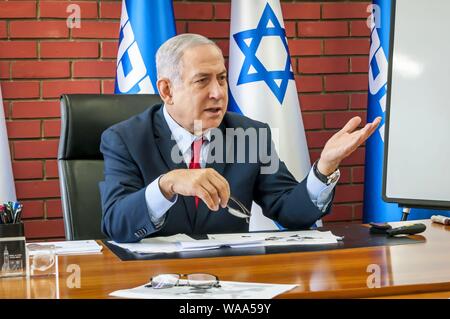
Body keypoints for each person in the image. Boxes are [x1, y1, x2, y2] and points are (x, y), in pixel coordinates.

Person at [100, 34, 381, 243]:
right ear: (167, 90)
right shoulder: (125, 138)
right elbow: (116, 225)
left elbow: (289, 212)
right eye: (202, 81)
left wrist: (324, 168)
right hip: (153, 281)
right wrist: (167, 185)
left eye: (221, 79)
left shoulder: (249, 135)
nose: (218, 93)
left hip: (230, 279)